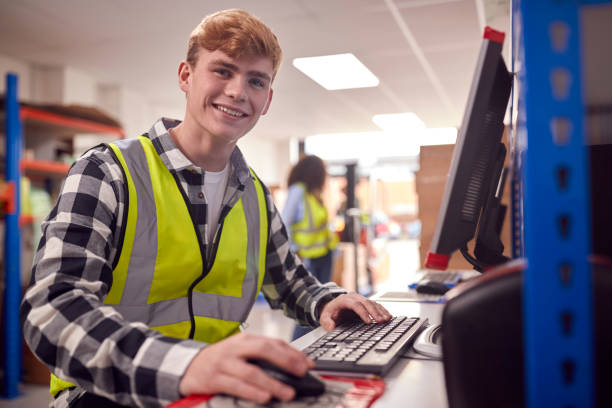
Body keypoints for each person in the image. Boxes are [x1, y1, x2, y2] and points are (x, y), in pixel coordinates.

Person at [20, 9, 391, 408]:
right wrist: (185, 365)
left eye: (256, 81)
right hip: (109, 393)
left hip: (216, 391)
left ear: (267, 100)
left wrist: (326, 300)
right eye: (223, 71)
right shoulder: (108, 172)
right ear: (185, 75)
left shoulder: (254, 194)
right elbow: (51, 310)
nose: (237, 91)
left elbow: (291, 282)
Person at [281, 155, 339, 340]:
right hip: (307, 258)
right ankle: (297, 346)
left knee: (323, 306)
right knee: (310, 305)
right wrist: (295, 251)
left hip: (324, 255)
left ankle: (313, 345)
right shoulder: (298, 191)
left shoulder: (315, 194)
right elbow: (284, 223)